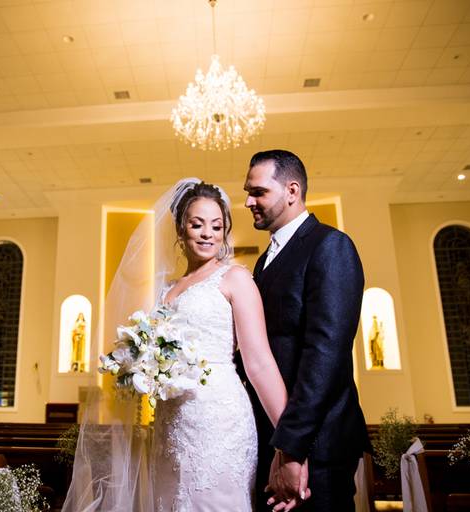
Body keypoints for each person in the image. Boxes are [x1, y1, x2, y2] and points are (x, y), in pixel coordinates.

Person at [62, 179, 297, 512]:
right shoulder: (167, 291)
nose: (207, 233)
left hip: (220, 417)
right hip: (171, 421)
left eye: (216, 226)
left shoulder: (236, 279)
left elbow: (258, 363)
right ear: (180, 229)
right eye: (196, 224)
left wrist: (289, 443)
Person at [242, 149, 370, 511]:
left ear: (292, 190)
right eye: (248, 192)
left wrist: (293, 447)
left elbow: (325, 355)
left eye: (259, 192)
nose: (249, 201)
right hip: (275, 438)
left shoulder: (330, 246)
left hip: (317, 443)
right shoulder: (265, 260)